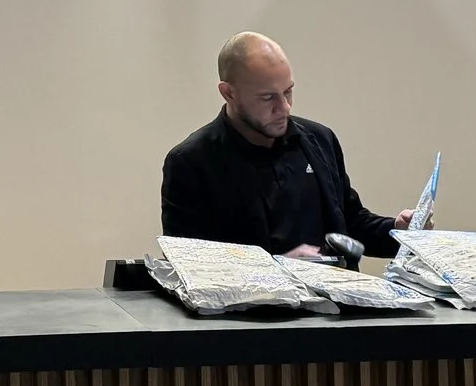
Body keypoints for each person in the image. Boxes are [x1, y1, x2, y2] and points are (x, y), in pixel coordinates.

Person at [160, 32, 411, 258]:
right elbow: (191, 266)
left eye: (288, 92)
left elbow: (351, 224)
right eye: (268, 97)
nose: (284, 107)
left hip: (336, 304)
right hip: (253, 309)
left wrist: (398, 232)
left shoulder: (320, 140)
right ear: (229, 93)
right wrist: (281, 269)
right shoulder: (191, 162)